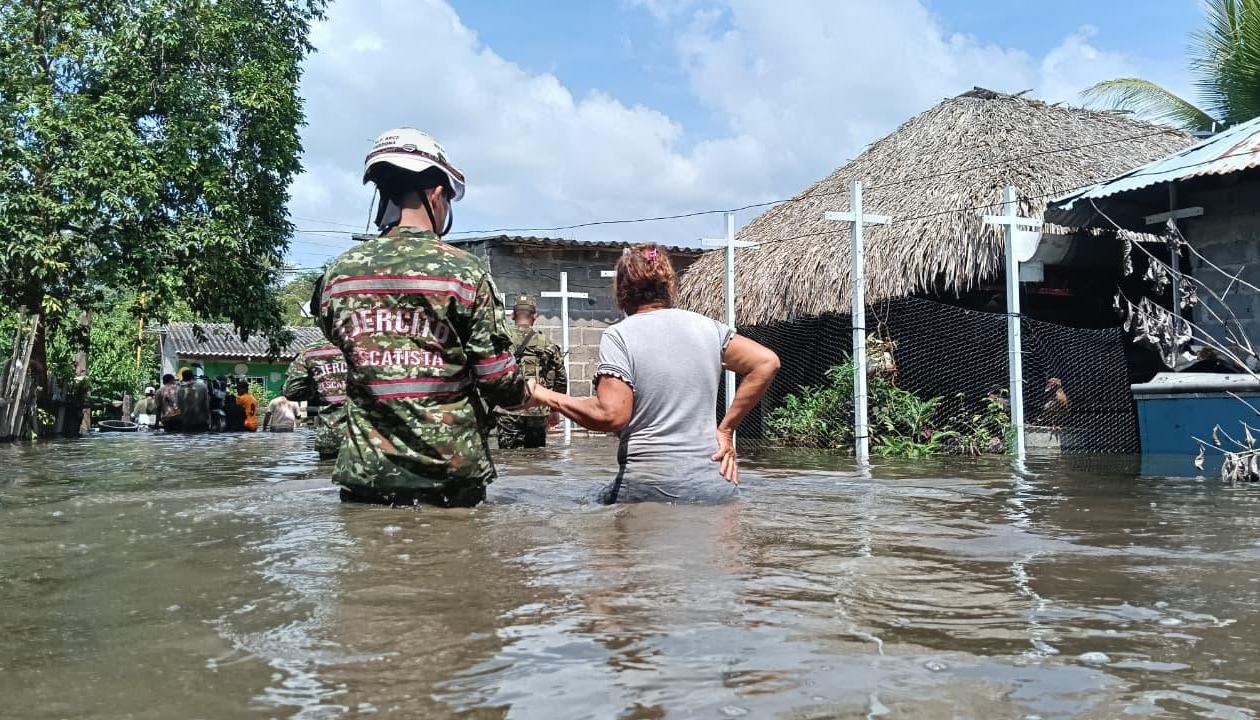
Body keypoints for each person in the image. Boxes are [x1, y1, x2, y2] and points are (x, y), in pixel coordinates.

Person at [315, 127, 532, 508]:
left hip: (368, 479)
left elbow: (338, 340)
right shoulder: (465, 274)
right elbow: (500, 383)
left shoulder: (338, 275)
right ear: (436, 195)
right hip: (449, 478)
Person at [530, 244, 780, 504]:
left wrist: (544, 394)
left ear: (621, 292)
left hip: (650, 487)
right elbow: (766, 362)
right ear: (669, 287)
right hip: (717, 486)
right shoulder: (709, 329)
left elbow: (611, 415)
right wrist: (726, 430)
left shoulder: (620, 335)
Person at [495, 295, 566, 449]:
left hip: (507, 409)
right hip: (537, 410)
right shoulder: (546, 343)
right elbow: (561, 378)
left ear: (512, 315)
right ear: (534, 316)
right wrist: (555, 410)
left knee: (508, 459)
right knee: (537, 458)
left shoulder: (501, 341)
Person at [284, 339, 348, 460]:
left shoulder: (310, 351)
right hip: (369, 437)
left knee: (327, 476)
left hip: (330, 436)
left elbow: (292, 391)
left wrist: (318, 390)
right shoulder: (375, 345)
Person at [175, 368, 210, 433]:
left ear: (183, 378)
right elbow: (206, 405)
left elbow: (178, 407)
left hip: (186, 421)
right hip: (201, 420)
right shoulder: (203, 386)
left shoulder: (179, 390)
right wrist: (208, 419)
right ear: (193, 376)